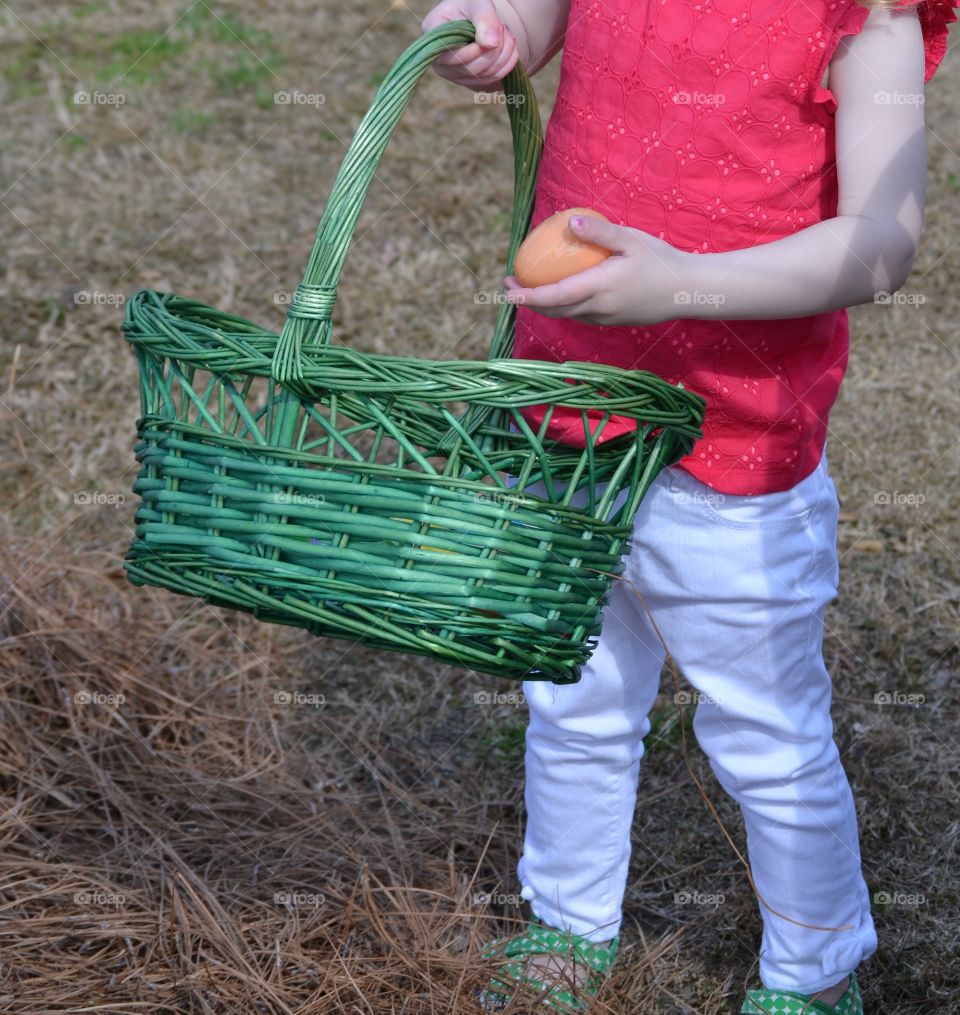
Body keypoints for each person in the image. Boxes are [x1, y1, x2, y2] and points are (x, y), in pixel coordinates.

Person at [419, 0, 956, 1011]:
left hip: (734, 444)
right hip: (572, 409)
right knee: (571, 694)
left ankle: (813, 972)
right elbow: (537, 19)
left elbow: (883, 243)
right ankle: (568, 923)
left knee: (766, 733)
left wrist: (684, 286)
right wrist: (493, 29)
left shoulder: (865, 16)